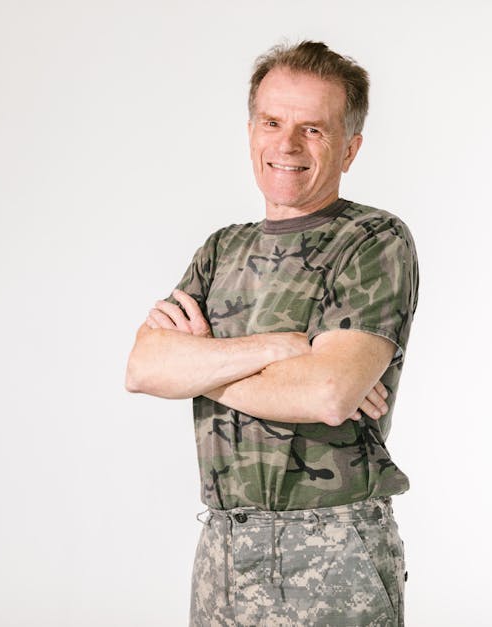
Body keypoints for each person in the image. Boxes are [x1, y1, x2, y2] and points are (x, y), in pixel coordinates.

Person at [125, 41, 419, 627]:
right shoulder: (220, 249)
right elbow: (144, 369)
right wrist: (282, 349)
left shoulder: (372, 241)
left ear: (350, 148)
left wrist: (201, 368)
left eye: (313, 129)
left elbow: (327, 395)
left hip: (331, 548)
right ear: (252, 131)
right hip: (222, 548)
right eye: (272, 122)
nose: (286, 145)